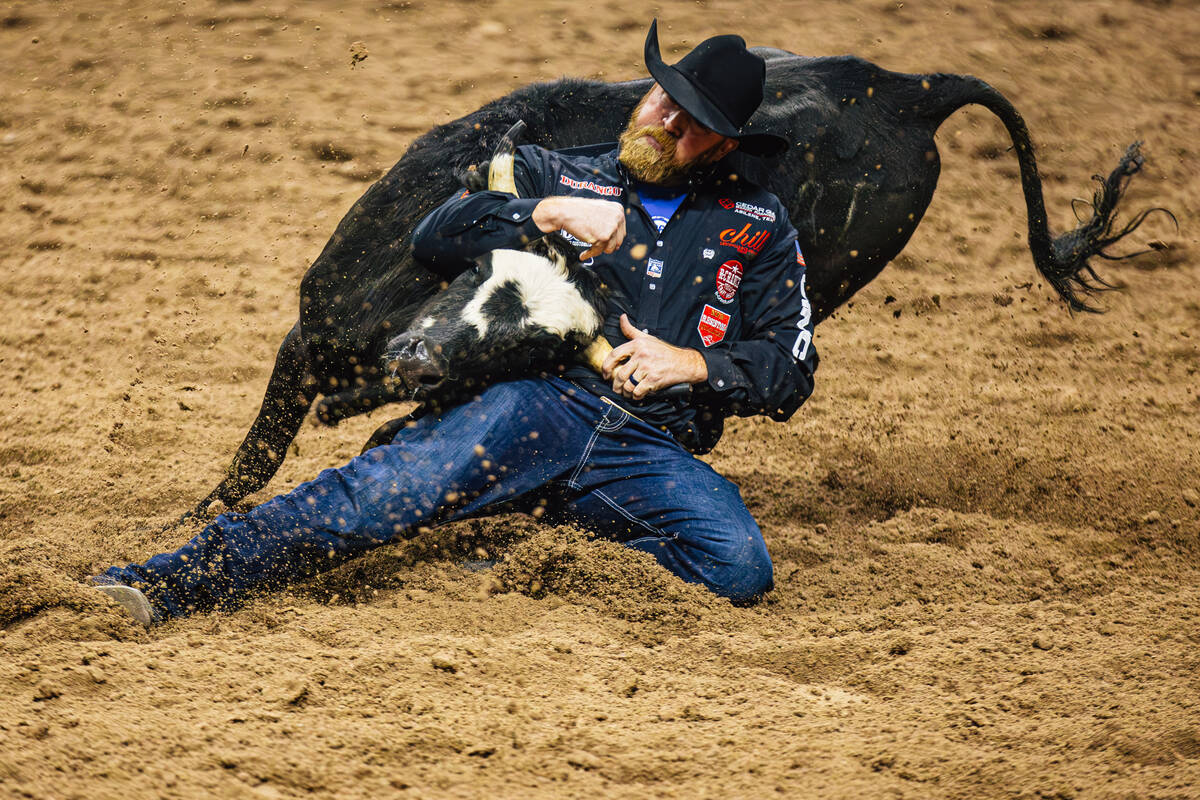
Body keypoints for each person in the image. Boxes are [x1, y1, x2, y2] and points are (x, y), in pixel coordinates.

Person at [92, 20, 818, 626]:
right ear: (648, 92)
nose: (668, 123)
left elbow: (790, 368)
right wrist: (543, 212)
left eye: (693, 127)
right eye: (665, 101)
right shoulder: (555, 172)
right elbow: (435, 235)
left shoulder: (759, 224)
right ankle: (159, 584)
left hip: (653, 443)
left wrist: (695, 366)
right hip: (533, 404)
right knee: (367, 502)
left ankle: (541, 544)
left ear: (725, 147)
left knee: (737, 567)